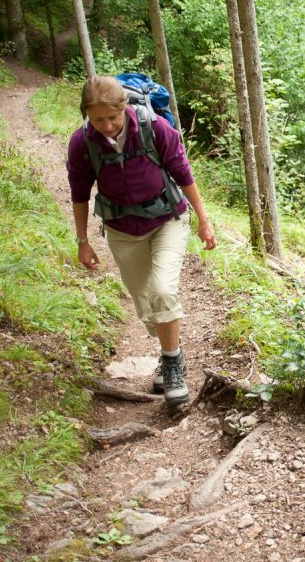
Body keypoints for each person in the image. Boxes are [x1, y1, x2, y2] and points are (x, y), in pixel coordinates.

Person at [66, 75, 216, 405]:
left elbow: (182, 171)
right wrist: (82, 240)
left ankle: (173, 364)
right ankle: (169, 349)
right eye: (97, 119)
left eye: (112, 117)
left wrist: (204, 219)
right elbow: (79, 192)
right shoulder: (82, 143)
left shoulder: (153, 128)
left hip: (168, 220)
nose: (106, 125)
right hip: (122, 229)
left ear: (124, 108)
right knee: (146, 305)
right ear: (87, 115)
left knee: (163, 291)